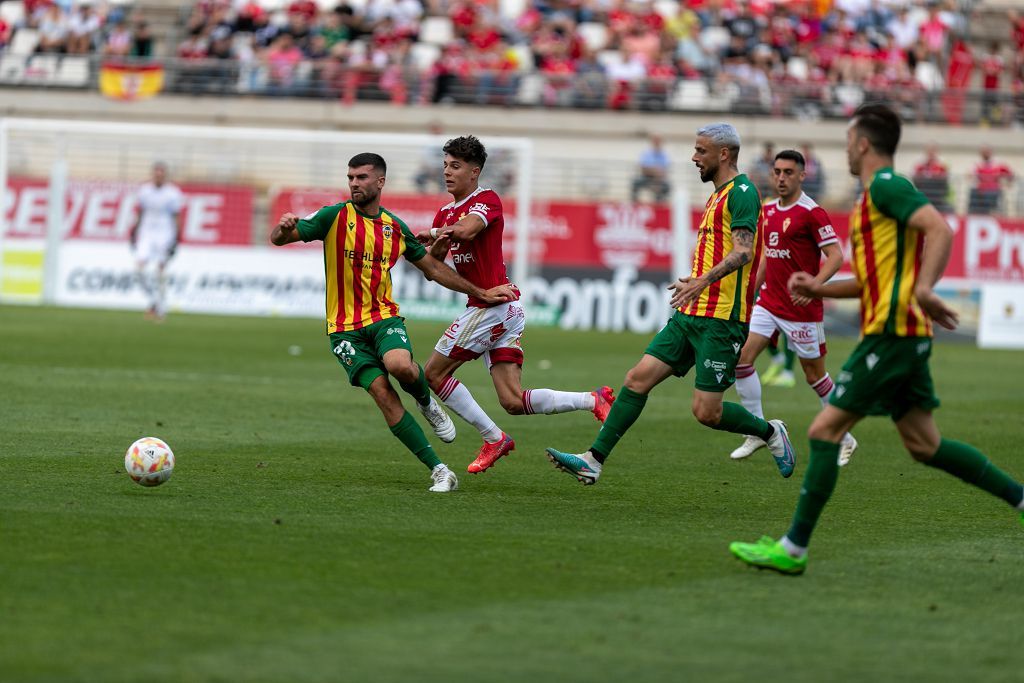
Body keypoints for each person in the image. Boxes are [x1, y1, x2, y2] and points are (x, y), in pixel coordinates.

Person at [730, 103, 1024, 575]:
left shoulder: (886, 187)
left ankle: (793, 548)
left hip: (892, 335)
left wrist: (924, 289)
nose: (845, 150)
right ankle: (1020, 499)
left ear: (863, 144)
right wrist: (817, 287)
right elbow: (871, 282)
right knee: (924, 445)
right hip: (900, 336)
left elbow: (940, 228)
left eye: (848, 141)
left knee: (824, 431)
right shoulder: (871, 201)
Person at [545, 123, 798, 486]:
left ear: (723, 154)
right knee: (636, 380)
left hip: (721, 320)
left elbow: (743, 252)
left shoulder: (742, 192)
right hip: (691, 315)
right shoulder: (718, 193)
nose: (694, 158)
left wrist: (701, 282)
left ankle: (770, 432)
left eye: (701, 151)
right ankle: (592, 460)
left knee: (706, 412)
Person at [270, 152, 515, 493]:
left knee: (400, 366)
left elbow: (433, 269)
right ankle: (440, 469)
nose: (354, 183)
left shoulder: (394, 227)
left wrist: (480, 292)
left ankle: (427, 403)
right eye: (351, 177)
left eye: (362, 177)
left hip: (382, 317)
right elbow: (283, 237)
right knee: (383, 394)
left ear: (380, 182)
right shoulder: (333, 216)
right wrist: (282, 229)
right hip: (343, 330)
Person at [417, 135, 616, 474]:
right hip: (496, 309)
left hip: (491, 308)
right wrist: (435, 242)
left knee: (433, 374)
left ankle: (493, 439)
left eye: (456, 166)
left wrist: (436, 233)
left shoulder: (486, 199)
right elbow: (433, 268)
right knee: (511, 400)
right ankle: (592, 399)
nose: (447, 172)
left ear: (475, 171)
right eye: (445, 166)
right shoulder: (445, 211)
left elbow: (466, 231)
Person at [728, 149, 858, 467]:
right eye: (778, 172)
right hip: (769, 301)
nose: (782, 178)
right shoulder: (768, 209)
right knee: (742, 360)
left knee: (815, 376)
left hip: (801, 309)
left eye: (789, 172)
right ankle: (759, 430)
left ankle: (846, 436)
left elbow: (837, 256)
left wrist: (815, 286)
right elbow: (766, 258)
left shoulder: (811, 212)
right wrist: (751, 292)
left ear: (802, 175)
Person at [130, 162, 184, 321]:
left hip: (165, 234)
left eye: (161, 173)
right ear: (153, 174)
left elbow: (176, 216)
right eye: (156, 173)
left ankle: (161, 308)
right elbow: (140, 212)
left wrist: (176, 239)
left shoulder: (173, 193)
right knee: (138, 270)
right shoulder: (144, 191)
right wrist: (134, 231)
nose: (158, 176)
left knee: (160, 271)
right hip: (147, 234)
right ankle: (154, 301)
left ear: (165, 175)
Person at [968, 147, 1014, 215]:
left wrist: (1007, 183)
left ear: (991, 153)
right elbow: (970, 175)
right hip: (981, 191)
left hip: (993, 190)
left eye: (987, 152)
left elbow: (1010, 174)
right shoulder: (978, 164)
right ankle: (975, 213)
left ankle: (991, 213)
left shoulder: (997, 164)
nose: (985, 154)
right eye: (983, 152)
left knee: (990, 199)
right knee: (973, 193)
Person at [630, 134, 672, 203]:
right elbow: (643, 168)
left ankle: (659, 204)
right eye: (655, 141)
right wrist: (655, 171)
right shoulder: (646, 153)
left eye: (658, 141)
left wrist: (656, 177)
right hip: (646, 178)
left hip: (659, 179)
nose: (657, 143)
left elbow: (664, 170)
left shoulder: (664, 155)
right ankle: (635, 203)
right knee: (635, 183)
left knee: (666, 186)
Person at [912, 143, 950, 212]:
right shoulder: (920, 166)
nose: (931, 153)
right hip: (924, 195)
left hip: (937, 197)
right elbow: (915, 179)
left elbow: (945, 182)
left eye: (933, 150)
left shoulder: (941, 166)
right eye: (929, 150)